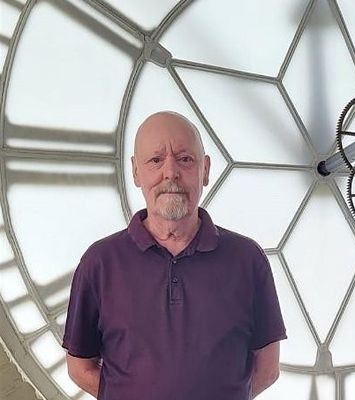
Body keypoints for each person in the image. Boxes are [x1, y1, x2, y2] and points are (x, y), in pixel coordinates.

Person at [62, 111, 287, 400]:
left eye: (185, 159)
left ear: (205, 170)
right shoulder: (100, 262)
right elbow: (80, 367)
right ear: (136, 172)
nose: (170, 173)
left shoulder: (247, 260)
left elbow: (267, 369)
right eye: (156, 160)